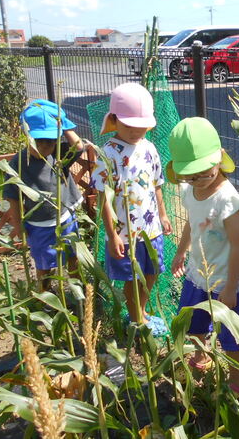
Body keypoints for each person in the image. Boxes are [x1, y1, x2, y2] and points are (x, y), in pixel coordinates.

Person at [168, 117, 239, 395]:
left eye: (203, 173)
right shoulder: (191, 191)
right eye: (190, 176)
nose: (197, 181)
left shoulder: (227, 200)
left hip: (227, 279)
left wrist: (231, 287)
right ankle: (200, 355)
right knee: (193, 322)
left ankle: (235, 378)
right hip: (199, 272)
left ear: (220, 158)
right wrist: (182, 251)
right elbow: (190, 224)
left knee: (233, 336)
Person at [90, 83, 172, 332]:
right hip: (125, 232)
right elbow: (103, 197)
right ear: (114, 120)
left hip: (151, 228)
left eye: (142, 126)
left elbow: (157, 184)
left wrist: (163, 214)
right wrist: (112, 233)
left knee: (152, 271)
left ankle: (142, 310)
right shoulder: (108, 154)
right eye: (130, 126)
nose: (137, 132)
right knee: (131, 276)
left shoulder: (150, 148)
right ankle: (136, 318)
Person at [5, 99, 84, 292]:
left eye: (50, 142)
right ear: (27, 137)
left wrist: (63, 123)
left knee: (73, 257)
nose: (44, 148)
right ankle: (44, 296)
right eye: (38, 142)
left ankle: (79, 292)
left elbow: (79, 147)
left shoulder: (58, 156)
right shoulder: (19, 163)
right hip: (38, 226)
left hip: (65, 220)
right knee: (44, 265)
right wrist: (17, 225)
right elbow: (13, 196)